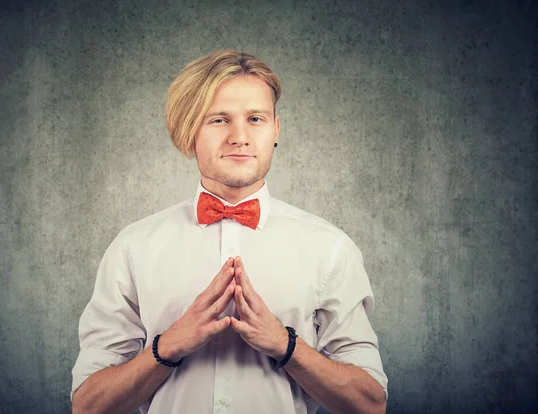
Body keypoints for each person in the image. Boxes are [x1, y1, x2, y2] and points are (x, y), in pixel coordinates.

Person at [70, 49, 388, 414]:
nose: (240, 136)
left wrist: (285, 346)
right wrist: (168, 346)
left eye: (255, 118)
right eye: (219, 120)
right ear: (189, 130)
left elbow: (371, 403)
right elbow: (87, 405)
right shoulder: (132, 248)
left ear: (275, 129)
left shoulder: (331, 249)